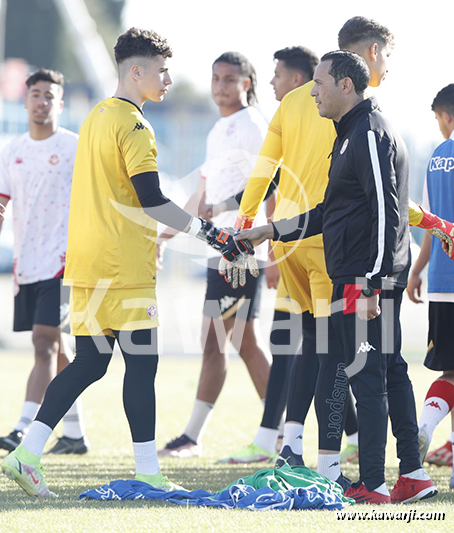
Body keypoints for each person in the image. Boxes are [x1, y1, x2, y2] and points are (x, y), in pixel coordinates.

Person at [0, 28, 257, 498]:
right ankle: (147, 473)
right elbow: (152, 199)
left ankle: (26, 452)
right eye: (162, 70)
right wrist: (213, 235)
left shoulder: (96, 116)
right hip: (123, 268)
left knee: (90, 363)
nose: (169, 79)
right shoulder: (135, 125)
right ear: (135, 72)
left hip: (86, 264)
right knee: (141, 366)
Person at [232, 16, 452, 493]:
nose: (312, 94)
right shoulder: (349, 133)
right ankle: (410, 474)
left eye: (318, 84)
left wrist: (371, 283)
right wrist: (266, 229)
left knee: (364, 373)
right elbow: (330, 210)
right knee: (381, 369)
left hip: (364, 277)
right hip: (350, 270)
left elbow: (386, 210)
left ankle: (369, 482)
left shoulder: (369, 131)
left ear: (345, 84)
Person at [157, 51, 272, 459]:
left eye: (229, 79)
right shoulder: (218, 130)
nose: (221, 85)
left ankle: (273, 435)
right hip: (220, 250)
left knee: (237, 340)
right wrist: (165, 236)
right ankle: (264, 434)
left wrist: (272, 247)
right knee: (229, 341)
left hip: (243, 248)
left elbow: (269, 185)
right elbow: (200, 197)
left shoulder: (252, 124)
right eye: (216, 78)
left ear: (246, 83)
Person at [0, 69, 89, 455]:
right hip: (28, 261)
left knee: (43, 341)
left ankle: (22, 428)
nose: (42, 102)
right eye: (36, 95)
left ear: (60, 103)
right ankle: (75, 434)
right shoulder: (12, 149)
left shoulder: (75, 146)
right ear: (25, 100)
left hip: (63, 260)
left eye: (49, 96)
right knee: (59, 348)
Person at [407, 84, 454, 485]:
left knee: (450, 370)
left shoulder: (437, 158)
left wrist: (418, 270)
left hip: (441, 280)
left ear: (447, 116)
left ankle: (425, 427)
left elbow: (429, 224)